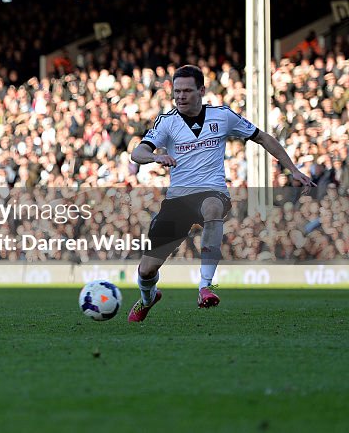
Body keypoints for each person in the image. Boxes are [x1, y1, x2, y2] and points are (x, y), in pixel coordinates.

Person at [128, 64, 314, 322]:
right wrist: (155, 156)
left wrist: (292, 169)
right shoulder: (167, 122)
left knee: (212, 208)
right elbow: (137, 153)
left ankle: (205, 286)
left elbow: (263, 138)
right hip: (177, 201)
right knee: (147, 270)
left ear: (202, 90)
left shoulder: (223, 116)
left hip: (213, 191)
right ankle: (148, 299)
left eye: (187, 91)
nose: (180, 96)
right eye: (176, 91)